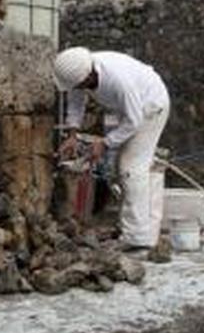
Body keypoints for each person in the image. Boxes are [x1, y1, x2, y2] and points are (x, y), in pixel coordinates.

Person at [54, 47, 170, 252]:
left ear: (89, 76)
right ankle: (147, 229)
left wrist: (105, 143)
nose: (78, 88)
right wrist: (72, 134)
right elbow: (76, 102)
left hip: (150, 106)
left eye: (80, 85)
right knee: (137, 168)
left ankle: (136, 237)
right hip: (129, 109)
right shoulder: (80, 73)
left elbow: (134, 121)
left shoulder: (118, 80)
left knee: (131, 168)